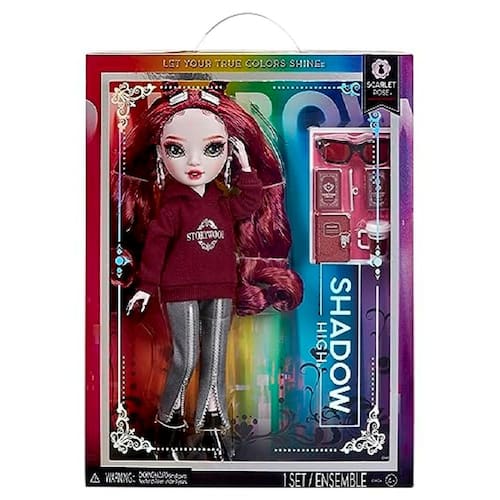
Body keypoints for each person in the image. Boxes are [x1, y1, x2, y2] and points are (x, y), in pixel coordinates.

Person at [115, 83, 303, 460]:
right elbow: (155, 248)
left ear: (228, 150)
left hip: (220, 288)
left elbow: (248, 204)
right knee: (185, 357)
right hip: (179, 290)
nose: (194, 161)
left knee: (215, 357)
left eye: (213, 148)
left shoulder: (221, 202)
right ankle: (169, 421)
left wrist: (246, 166)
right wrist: (146, 287)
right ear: (159, 153)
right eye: (176, 149)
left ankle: (211, 424)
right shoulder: (172, 208)